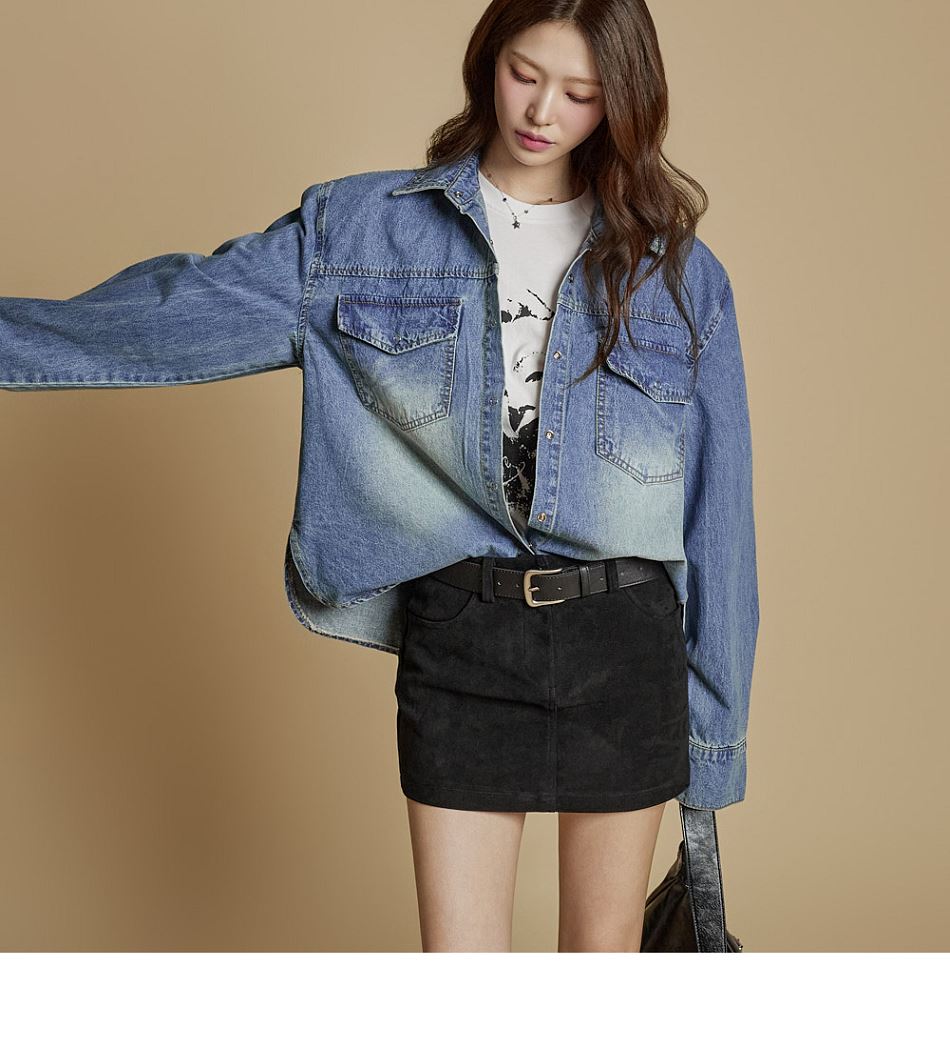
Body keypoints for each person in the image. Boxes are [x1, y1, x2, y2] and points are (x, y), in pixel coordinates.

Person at [0, 0, 759, 953]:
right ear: (488, 59)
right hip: (465, 633)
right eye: (525, 75)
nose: (542, 112)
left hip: (624, 642)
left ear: (622, 103)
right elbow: (171, 312)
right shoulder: (359, 234)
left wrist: (713, 744)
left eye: (581, 93)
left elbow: (720, 519)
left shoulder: (678, 275)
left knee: (599, 979)